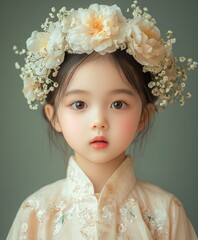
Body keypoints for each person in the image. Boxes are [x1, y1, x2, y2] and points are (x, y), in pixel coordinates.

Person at [7, 1, 197, 239]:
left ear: (144, 116)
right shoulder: (36, 213)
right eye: (79, 104)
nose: (98, 121)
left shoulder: (166, 212)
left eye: (118, 104)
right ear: (54, 116)